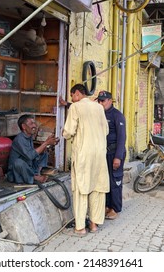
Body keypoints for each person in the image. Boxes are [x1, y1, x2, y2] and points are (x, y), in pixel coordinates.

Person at [62, 84, 109, 236]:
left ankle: (80, 227)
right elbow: (106, 130)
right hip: (100, 155)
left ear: (77, 93)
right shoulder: (99, 108)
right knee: (97, 188)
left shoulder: (75, 107)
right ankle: (94, 225)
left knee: (81, 189)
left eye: (72, 95)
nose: (71, 99)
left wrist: (65, 134)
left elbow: (68, 132)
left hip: (83, 155)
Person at [96, 90, 126, 220]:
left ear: (110, 100)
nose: (101, 103)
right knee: (105, 180)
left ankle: (115, 208)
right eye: (99, 101)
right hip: (104, 152)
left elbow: (121, 137)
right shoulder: (99, 113)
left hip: (114, 152)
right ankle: (108, 206)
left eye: (103, 101)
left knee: (115, 181)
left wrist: (118, 157)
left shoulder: (117, 115)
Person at [7, 114, 59, 184]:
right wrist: (46, 143)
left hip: (28, 166)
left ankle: (38, 173)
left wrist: (48, 143)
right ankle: (34, 177)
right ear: (24, 126)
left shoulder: (29, 137)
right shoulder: (19, 139)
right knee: (18, 162)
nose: (34, 125)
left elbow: (34, 154)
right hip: (16, 173)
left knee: (44, 152)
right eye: (31, 123)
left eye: (34, 123)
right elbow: (30, 155)